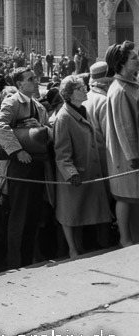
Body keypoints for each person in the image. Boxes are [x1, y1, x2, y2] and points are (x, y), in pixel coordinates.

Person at [0, 67, 51, 269]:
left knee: (33, 215)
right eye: (31, 79)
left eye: (35, 78)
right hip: (19, 165)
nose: (35, 82)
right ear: (19, 84)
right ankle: (14, 262)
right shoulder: (12, 102)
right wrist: (17, 151)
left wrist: (40, 128)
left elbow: (49, 131)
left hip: (36, 164)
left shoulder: (38, 107)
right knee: (20, 215)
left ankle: (27, 260)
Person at [53, 76, 111, 258]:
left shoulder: (82, 110)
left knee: (82, 212)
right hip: (75, 176)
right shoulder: (63, 118)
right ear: (69, 94)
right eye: (80, 88)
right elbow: (62, 153)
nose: (84, 90)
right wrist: (71, 173)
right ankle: (72, 249)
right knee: (70, 213)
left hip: (88, 171)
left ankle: (83, 246)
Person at [104, 41, 139, 247]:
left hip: (132, 156)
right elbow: (125, 128)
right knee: (125, 197)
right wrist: (133, 157)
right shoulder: (119, 90)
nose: (137, 60)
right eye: (133, 58)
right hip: (126, 158)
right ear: (122, 64)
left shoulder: (130, 85)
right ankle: (125, 239)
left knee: (134, 198)